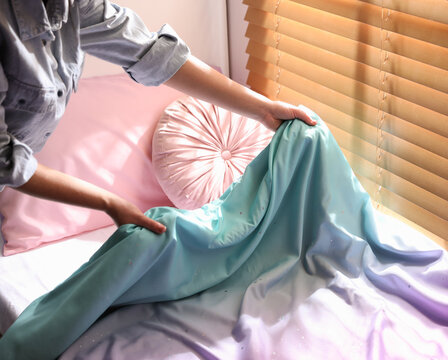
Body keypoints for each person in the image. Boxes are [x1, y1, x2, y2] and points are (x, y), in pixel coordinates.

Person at [0, 0, 316, 235]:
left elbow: (155, 55)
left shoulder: (72, 7)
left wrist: (264, 109)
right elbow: (5, 159)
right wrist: (110, 202)